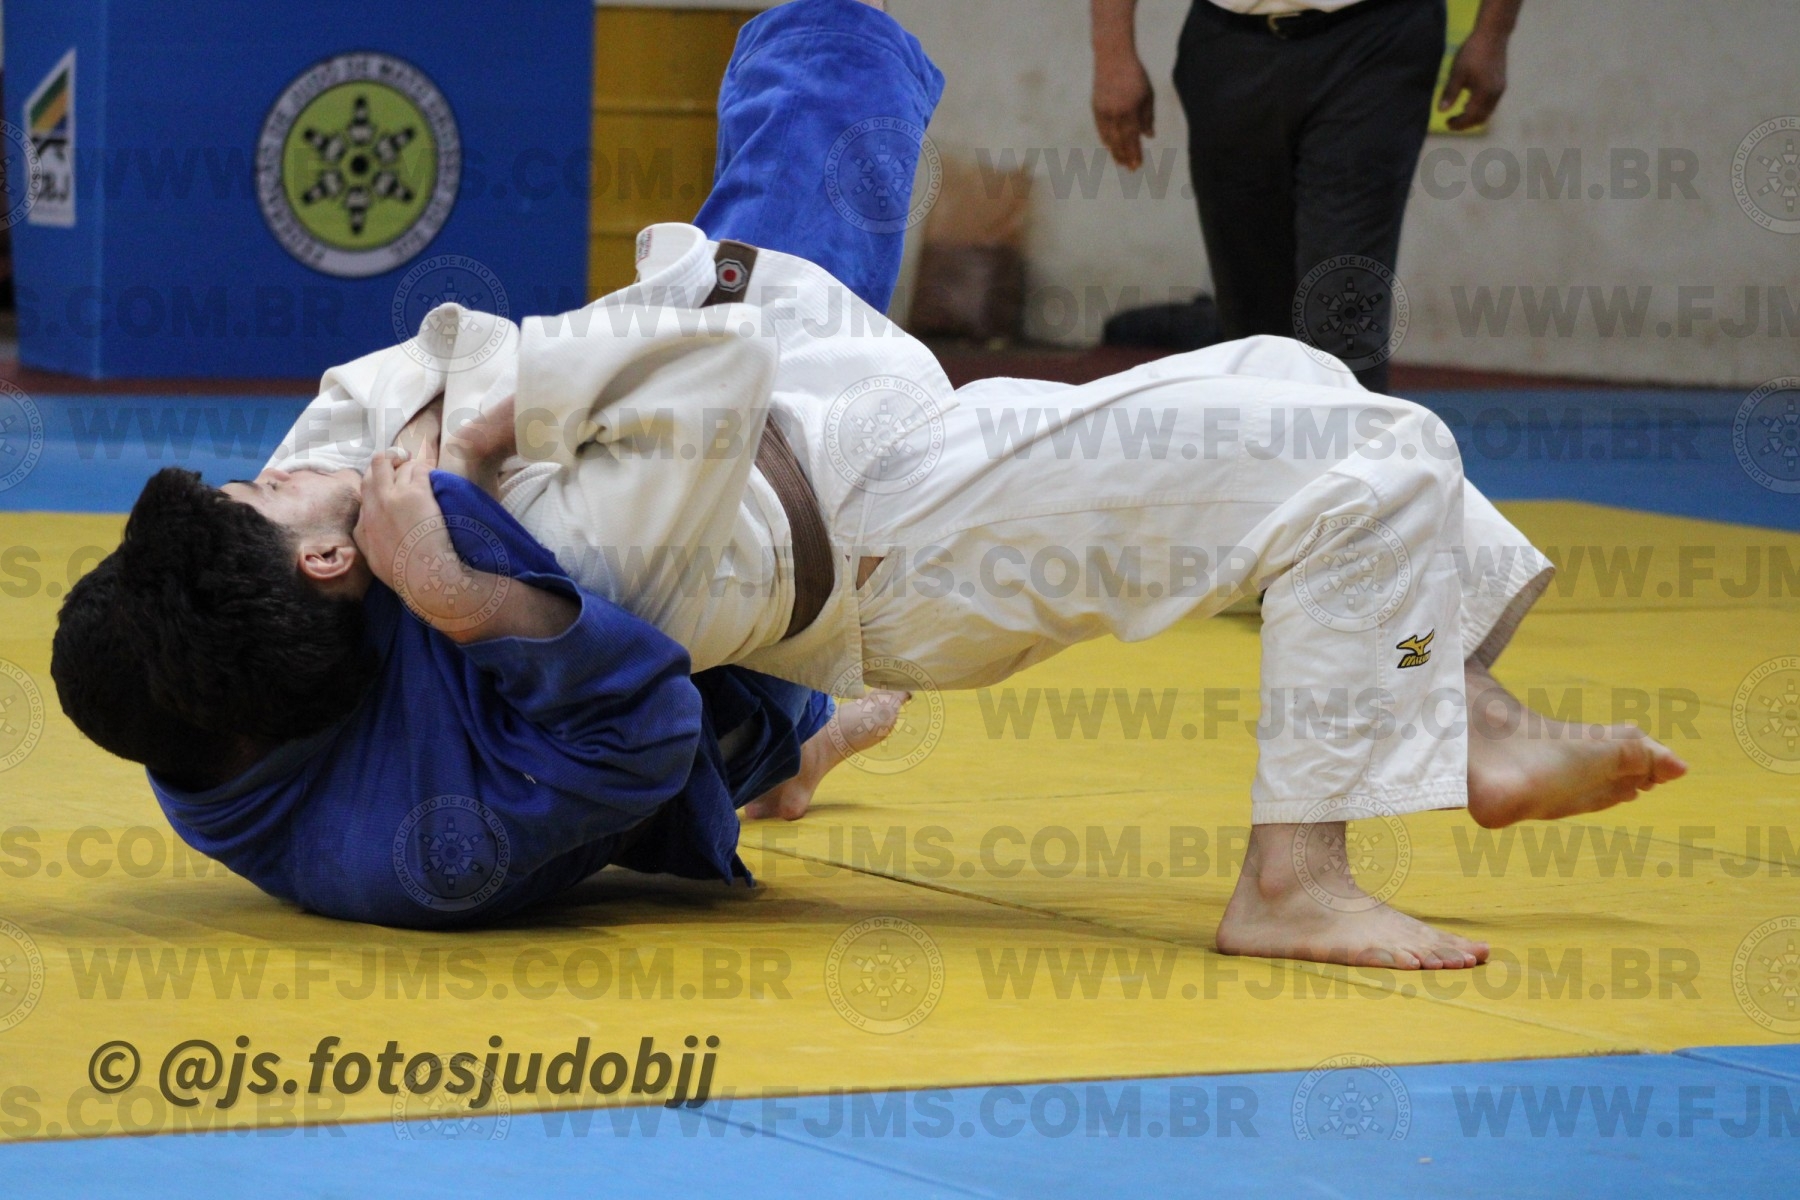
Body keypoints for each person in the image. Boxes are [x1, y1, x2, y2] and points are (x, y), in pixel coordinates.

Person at [66, 0, 1683, 970]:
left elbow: (359, 425)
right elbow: (703, 368)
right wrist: (477, 440)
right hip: (906, 526)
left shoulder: (242, 705)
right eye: (274, 497)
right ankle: (1295, 880)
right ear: (334, 563)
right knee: (1373, 449)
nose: (288, 466)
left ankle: (1458, 701)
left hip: (833, 440)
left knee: (1296, 381)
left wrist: (403, 449)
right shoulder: (510, 548)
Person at [49, 0, 933, 930]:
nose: (274, 481)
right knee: (768, 312)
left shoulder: (203, 661)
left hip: (618, 702)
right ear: (324, 564)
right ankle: (787, 729)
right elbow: (649, 729)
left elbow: (382, 403)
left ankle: (796, 739)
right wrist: (460, 573)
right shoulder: (414, 845)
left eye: (260, 489)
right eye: (267, 495)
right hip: (697, 690)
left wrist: (432, 456)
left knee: (577, 421)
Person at [1090, 0, 1523, 391]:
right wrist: (1112, 54)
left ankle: (1351, 453)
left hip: (1376, 38)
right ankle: (1267, 452)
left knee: (1341, 309)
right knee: (1252, 325)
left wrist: (1492, 33)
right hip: (1227, 41)